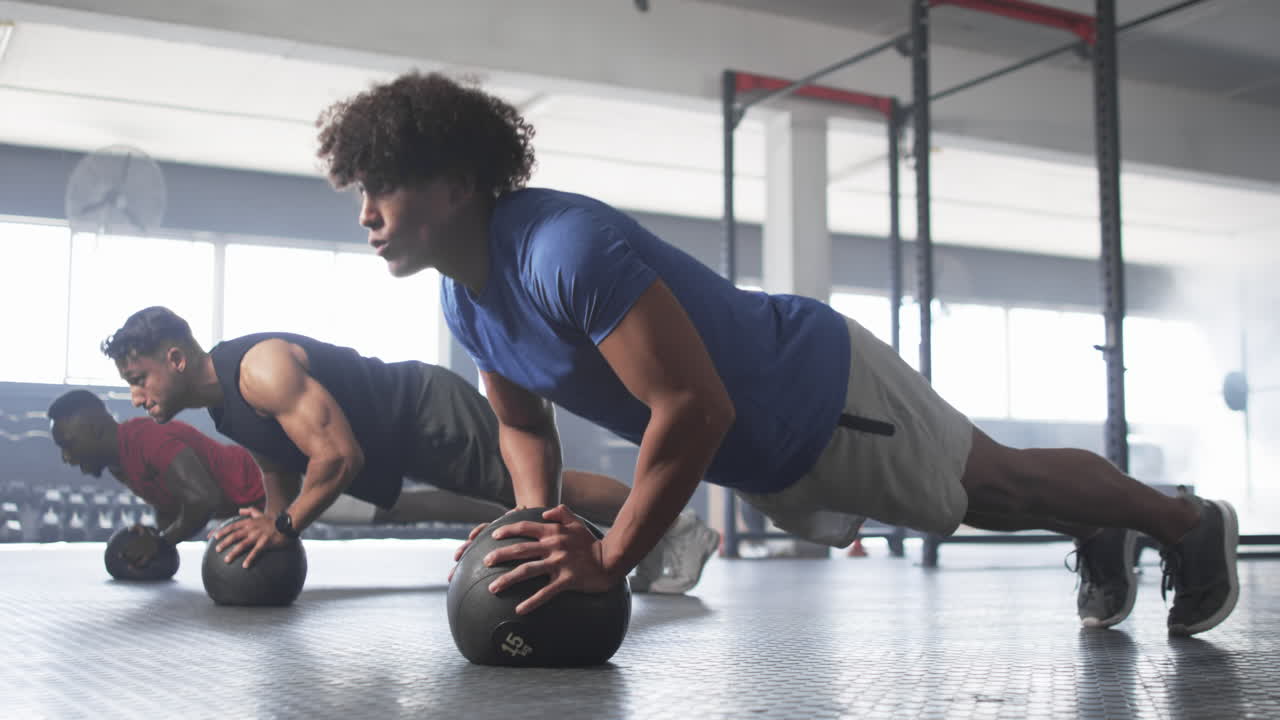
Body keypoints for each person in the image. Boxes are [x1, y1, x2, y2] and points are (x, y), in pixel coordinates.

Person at [314, 70, 1238, 636]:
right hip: (760, 449)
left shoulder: (560, 250)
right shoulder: (465, 298)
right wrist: (528, 527)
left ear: (455, 183)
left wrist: (611, 557)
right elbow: (522, 428)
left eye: (382, 188)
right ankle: (1109, 524)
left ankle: (1188, 525)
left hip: (811, 390)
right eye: (359, 191)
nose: (365, 215)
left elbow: (693, 408)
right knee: (981, 505)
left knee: (1001, 487)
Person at [99, 307, 718, 592]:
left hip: (423, 411)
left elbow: (339, 458)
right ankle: (665, 531)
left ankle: (680, 527)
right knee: (522, 494)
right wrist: (272, 518)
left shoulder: (256, 370)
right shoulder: (221, 405)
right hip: (403, 433)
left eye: (140, 378)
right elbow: (276, 462)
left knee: (537, 490)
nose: (135, 396)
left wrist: (286, 525)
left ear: (175, 359)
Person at [46, 388, 512, 569]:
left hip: (288, 488)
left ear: (91, 426)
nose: (67, 457)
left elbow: (204, 498)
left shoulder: (145, 438)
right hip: (267, 497)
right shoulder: (122, 464)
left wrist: (163, 541)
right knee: (406, 506)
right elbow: (174, 508)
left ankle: (511, 510)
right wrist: (155, 533)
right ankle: (507, 507)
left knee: (407, 508)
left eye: (68, 443)